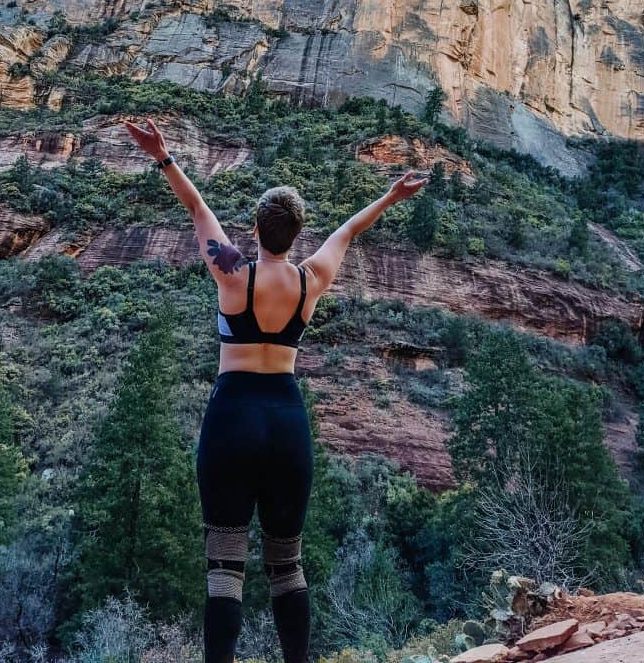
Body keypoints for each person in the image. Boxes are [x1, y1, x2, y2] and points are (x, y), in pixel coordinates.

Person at [124, 115, 428, 663]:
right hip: (286, 420)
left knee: (225, 564)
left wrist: (162, 154)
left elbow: (196, 208)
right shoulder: (312, 279)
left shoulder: (234, 273)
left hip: (233, 416)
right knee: (287, 564)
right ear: (296, 233)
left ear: (256, 229)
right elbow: (349, 232)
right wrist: (389, 195)